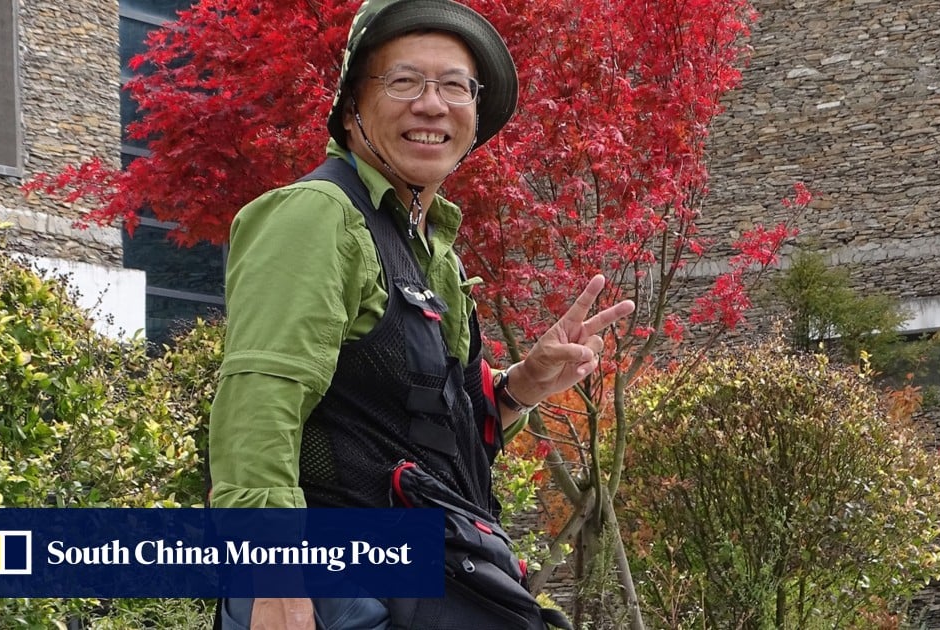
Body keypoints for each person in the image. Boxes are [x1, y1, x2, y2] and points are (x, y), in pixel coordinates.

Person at [208, 0, 635, 628]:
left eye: (455, 86)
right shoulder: (317, 215)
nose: (432, 105)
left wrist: (523, 386)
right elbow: (259, 402)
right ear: (351, 107)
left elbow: (424, 433)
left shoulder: (430, 250)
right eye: (404, 81)